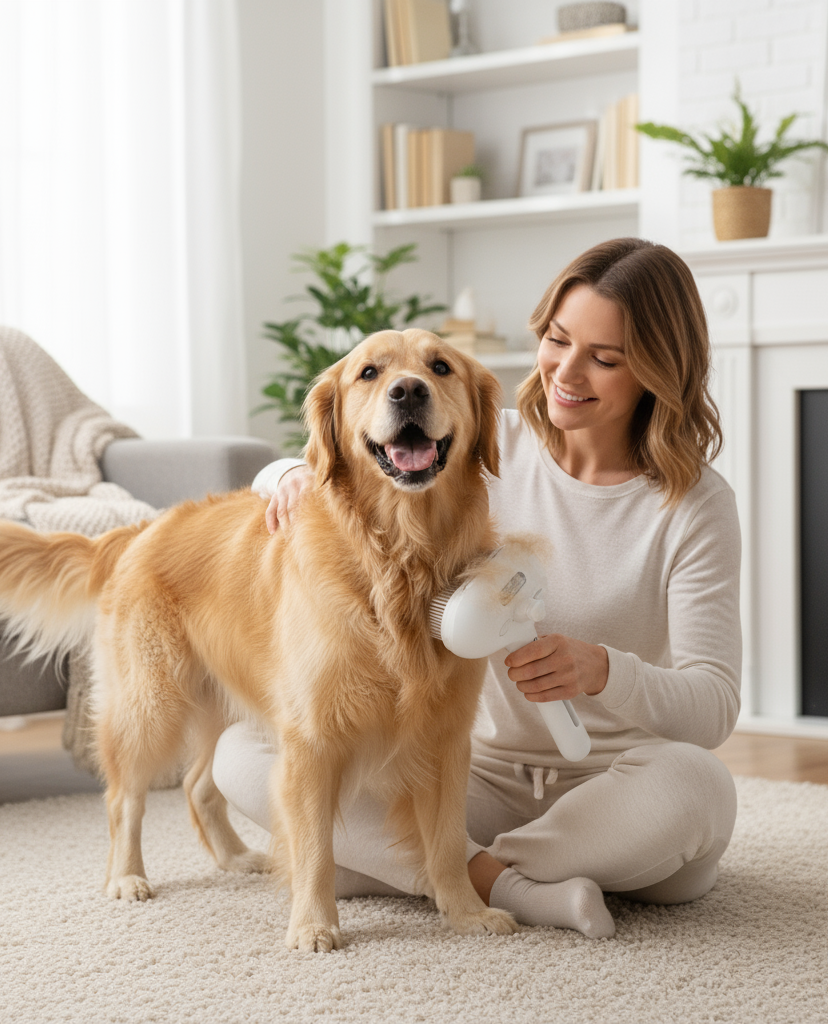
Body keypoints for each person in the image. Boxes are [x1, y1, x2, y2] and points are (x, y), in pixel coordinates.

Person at [213, 237, 741, 940]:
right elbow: (355, 440)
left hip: (612, 781)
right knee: (243, 754)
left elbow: (713, 705)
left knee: (698, 788)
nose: (567, 372)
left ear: (659, 370)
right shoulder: (479, 443)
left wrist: (604, 671)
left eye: (605, 358)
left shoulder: (695, 505)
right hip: (470, 783)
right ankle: (503, 884)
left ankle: (446, 873)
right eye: (557, 340)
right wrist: (282, 476)